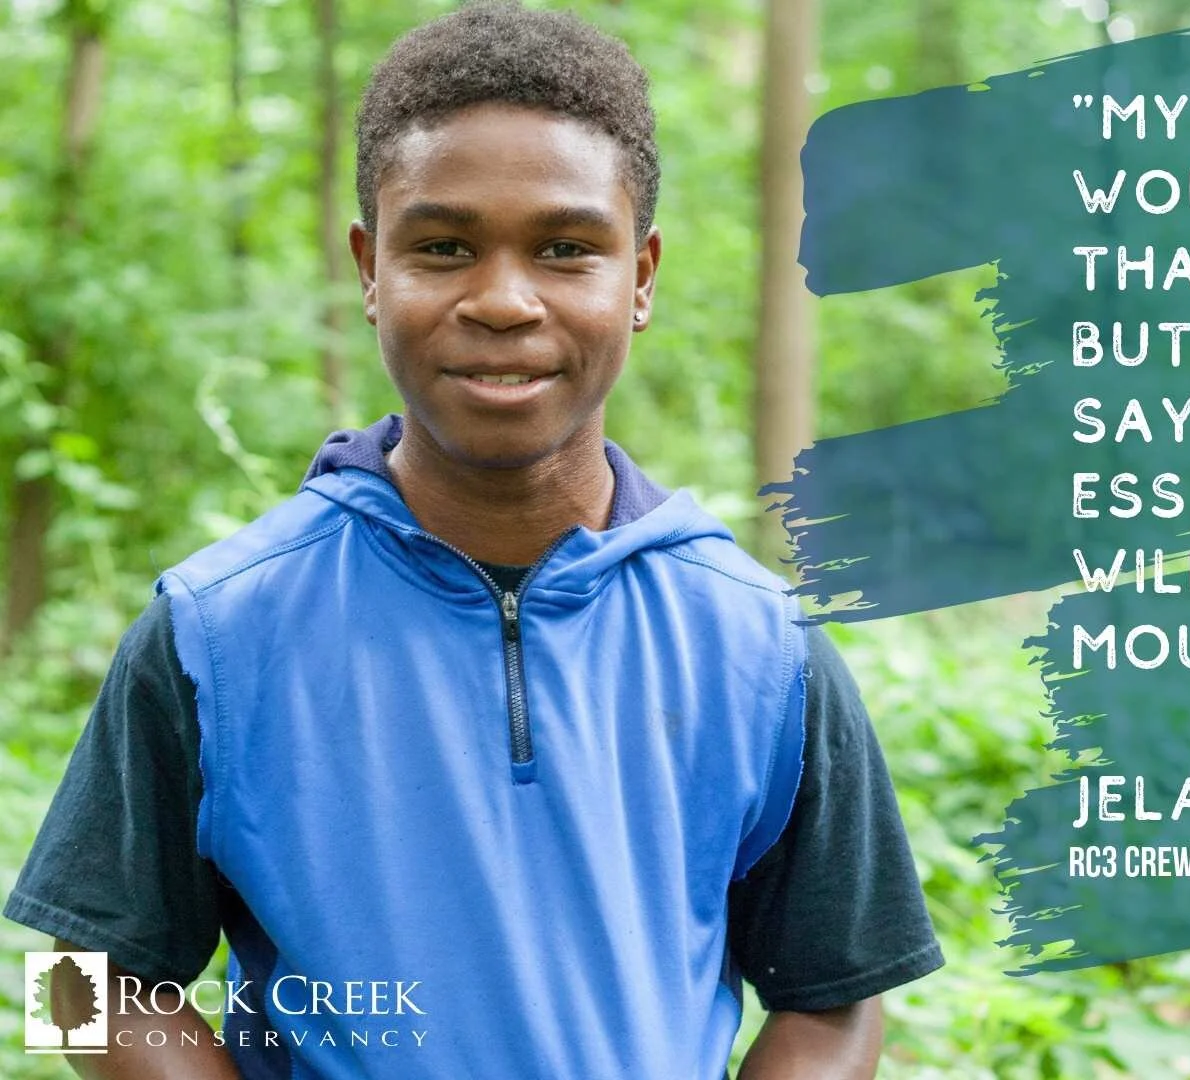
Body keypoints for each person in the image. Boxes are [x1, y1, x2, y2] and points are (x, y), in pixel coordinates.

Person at [3, 3, 942, 1076]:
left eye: (565, 249)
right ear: (370, 267)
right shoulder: (216, 631)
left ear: (640, 277)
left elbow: (838, 998)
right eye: (443, 247)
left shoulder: (760, 645)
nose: (502, 300)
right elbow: (76, 977)